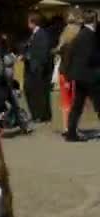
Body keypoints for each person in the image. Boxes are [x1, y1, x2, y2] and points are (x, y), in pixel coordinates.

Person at [65, 9, 100, 142]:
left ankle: (71, 133)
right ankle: (71, 133)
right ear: (95, 20)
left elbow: (72, 53)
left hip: (79, 75)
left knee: (77, 106)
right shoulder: (90, 35)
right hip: (90, 76)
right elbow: (91, 56)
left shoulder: (80, 34)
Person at [54, 8, 82, 136]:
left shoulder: (63, 44)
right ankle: (72, 127)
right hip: (72, 75)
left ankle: (67, 126)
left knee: (66, 102)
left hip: (63, 74)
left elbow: (58, 54)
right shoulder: (74, 44)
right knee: (74, 102)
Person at [24, 11, 53, 123]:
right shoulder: (34, 34)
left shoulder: (42, 34)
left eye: (28, 21)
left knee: (38, 92)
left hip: (37, 69)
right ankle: (38, 114)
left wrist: (31, 59)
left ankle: (41, 115)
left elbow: (43, 52)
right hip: (32, 68)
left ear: (33, 22)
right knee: (32, 91)